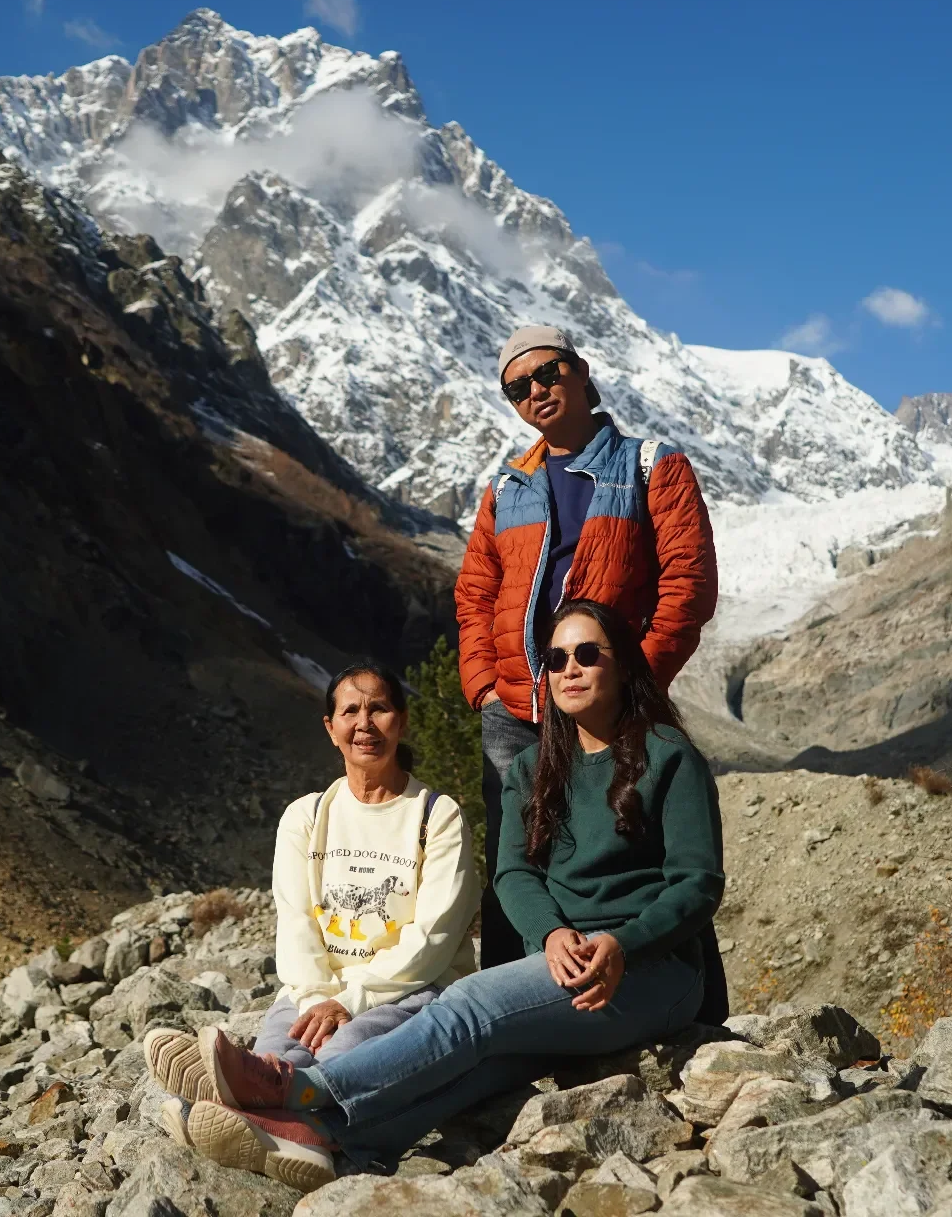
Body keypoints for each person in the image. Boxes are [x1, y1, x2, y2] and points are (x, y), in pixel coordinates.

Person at [154, 601, 724, 1191]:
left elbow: (697, 882)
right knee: (486, 1066)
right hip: (563, 965)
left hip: (650, 971)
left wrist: (623, 944)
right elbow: (514, 875)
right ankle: (330, 1141)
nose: (570, 669)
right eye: (556, 658)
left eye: (587, 654)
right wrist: (553, 933)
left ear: (625, 666)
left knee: (471, 1006)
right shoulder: (534, 767)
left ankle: (297, 1090)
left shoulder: (668, 756)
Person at [457, 324, 718, 969]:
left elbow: (688, 582)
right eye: (517, 388)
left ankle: (668, 988)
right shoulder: (508, 485)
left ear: (581, 372)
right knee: (515, 857)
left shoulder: (650, 465)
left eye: (548, 374)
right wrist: (486, 684)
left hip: (612, 700)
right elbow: (475, 591)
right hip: (517, 708)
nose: (536, 392)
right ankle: (513, 998)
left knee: (640, 848)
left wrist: (631, 678)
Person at [146, 663, 477, 1140]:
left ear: (402, 721)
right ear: (331, 728)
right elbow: (297, 922)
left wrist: (349, 1001)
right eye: (350, 711)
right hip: (317, 988)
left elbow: (435, 938)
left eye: (379, 709)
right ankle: (254, 1118)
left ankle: (289, 1131)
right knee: (275, 1057)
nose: (364, 723)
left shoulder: (436, 816)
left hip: (410, 987)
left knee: (346, 1050)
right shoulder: (306, 816)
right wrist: (318, 998)